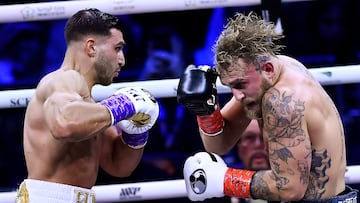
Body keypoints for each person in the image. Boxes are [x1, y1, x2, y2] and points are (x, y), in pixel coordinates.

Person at [177, 12, 358, 202]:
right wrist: (207, 112)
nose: (236, 95)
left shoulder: (282, 101)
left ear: (268, 70)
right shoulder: (272, 70)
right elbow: (219, 146)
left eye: (240, 85)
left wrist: (225, 181)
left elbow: (289, 189)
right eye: (230, 87)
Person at [15, 8, 159, 203]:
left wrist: (137, 131)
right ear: (91, 47)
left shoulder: (88, 105)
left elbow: (119, 165)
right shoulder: (62, 80)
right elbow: (64, 123)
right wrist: (122, 105)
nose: (122, 60)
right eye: (117, 48)